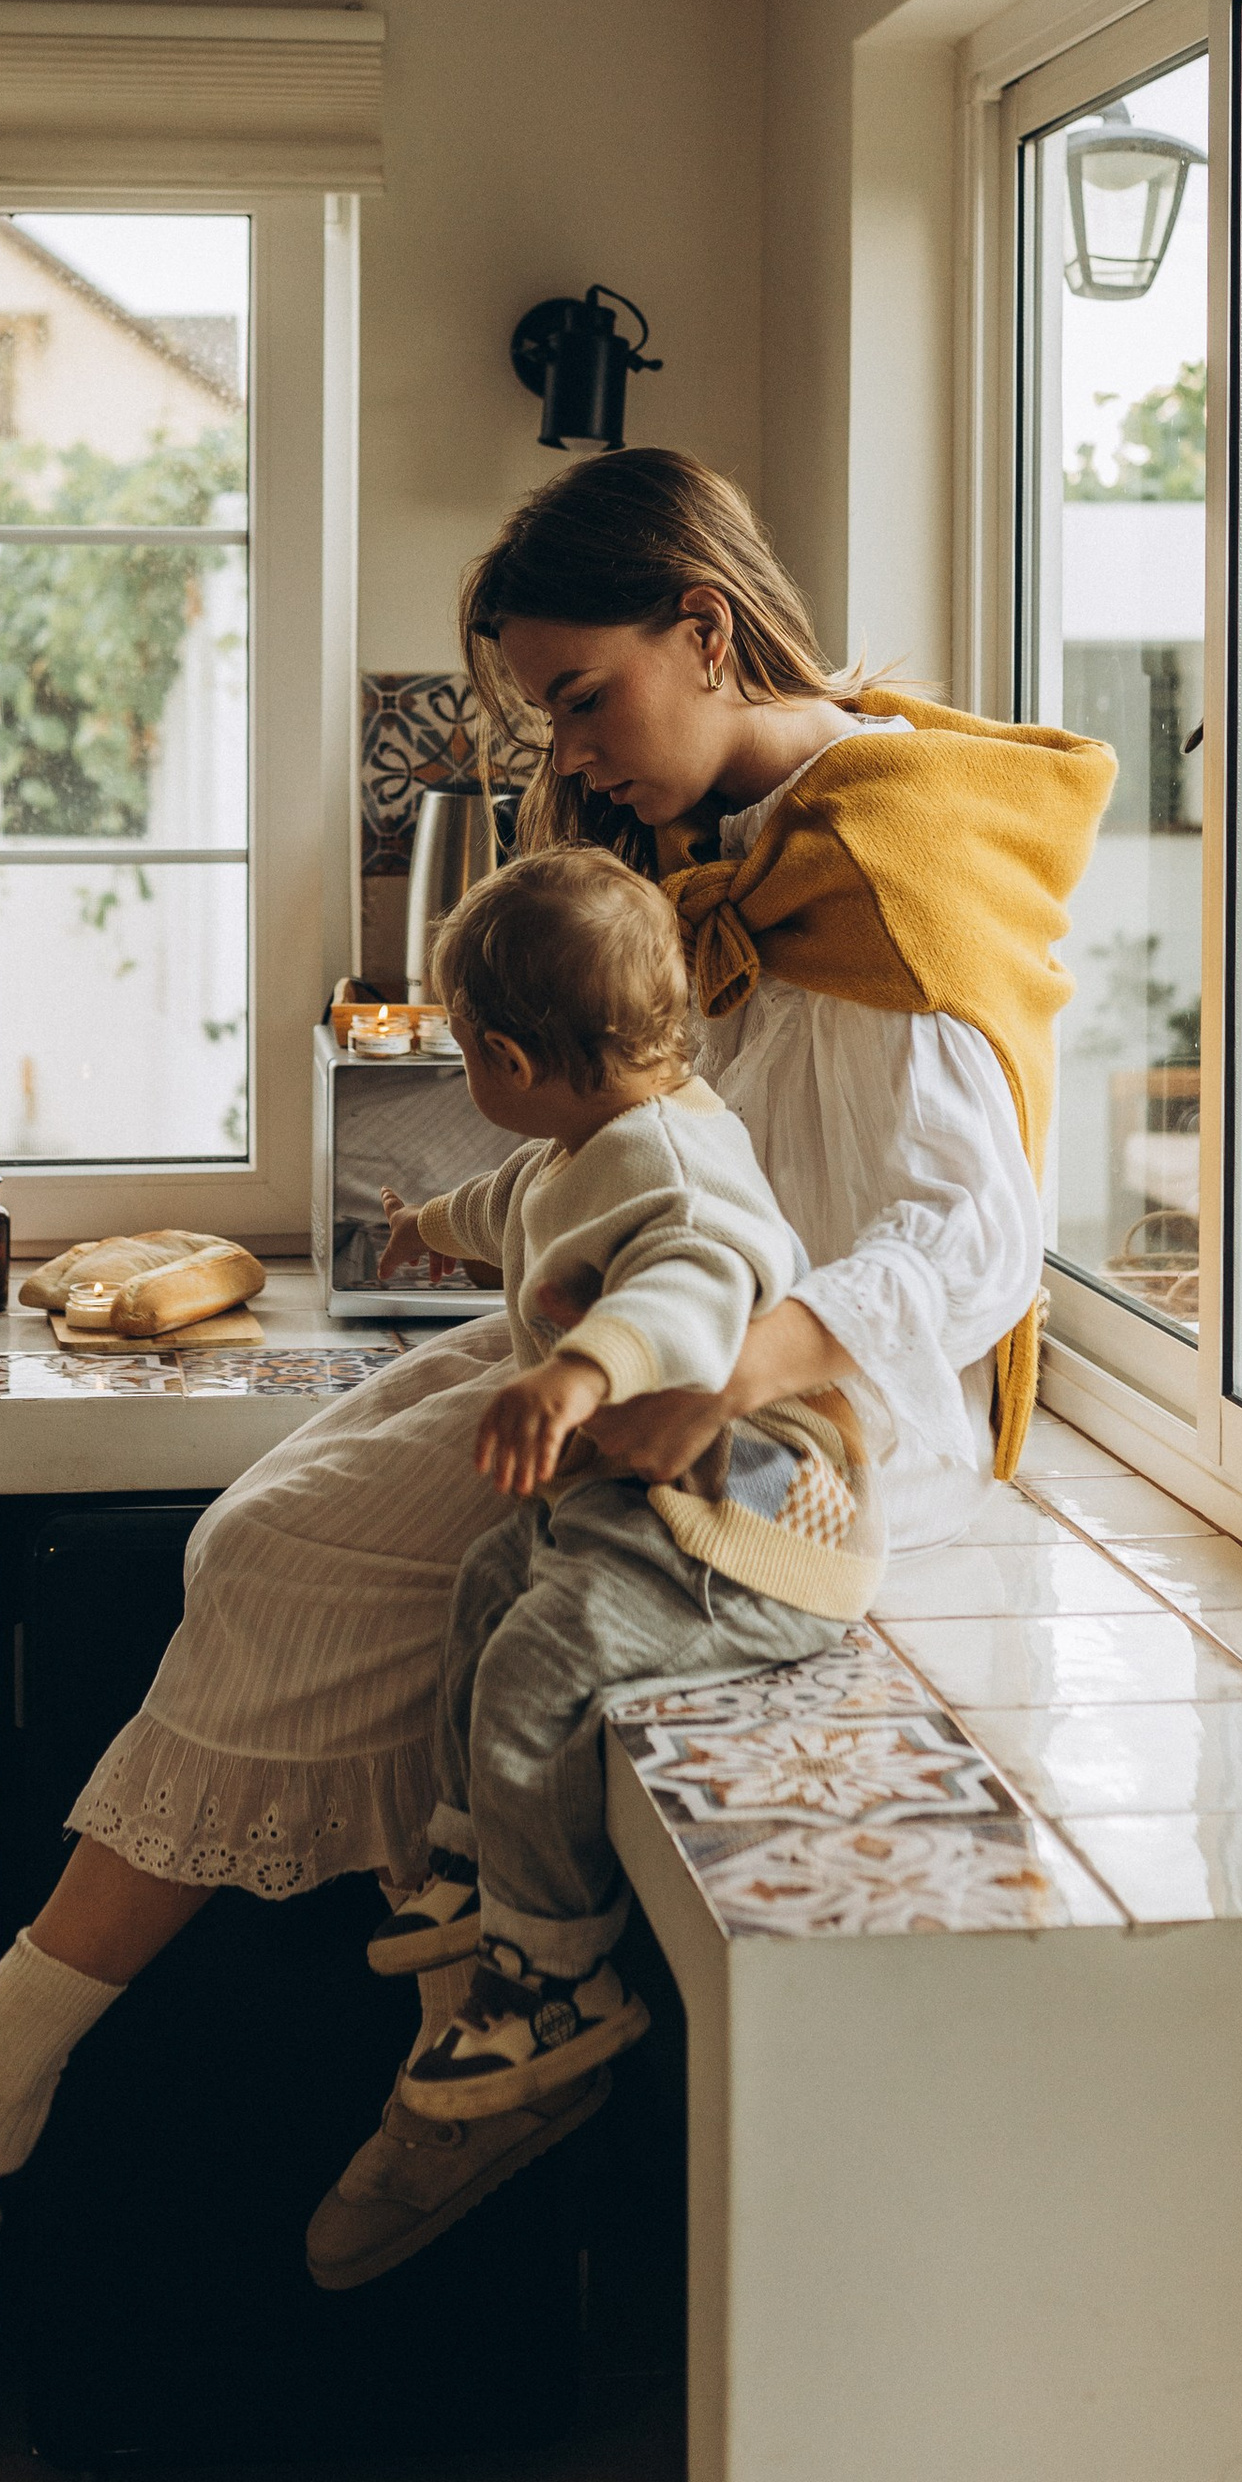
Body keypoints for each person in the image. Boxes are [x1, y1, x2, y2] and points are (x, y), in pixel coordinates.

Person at [0, 449, 1110, 2295]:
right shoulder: (736, 849)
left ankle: (2, 2104)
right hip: (670, 1315)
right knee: (257, 1523)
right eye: (548, 715)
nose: (568, 754)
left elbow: (977, 1245)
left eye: (583, 697)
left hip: (795, 1420)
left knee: (278, 1562)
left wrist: (731, 1369)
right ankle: (283, 2019)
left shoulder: (887, 862)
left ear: (705, 628)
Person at [366, 844, 867, 2120]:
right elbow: (507, 1205)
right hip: (642, 1505)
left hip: (740, 1526)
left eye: (463, 1052)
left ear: (505, 1063)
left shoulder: (678, 1170)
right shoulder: (581, 1143)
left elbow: (686, 1301)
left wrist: (574, 1377)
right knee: (488, 1584)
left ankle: (552, 1977)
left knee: (538, 1664)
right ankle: (481, 1858)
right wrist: (423, 1226)